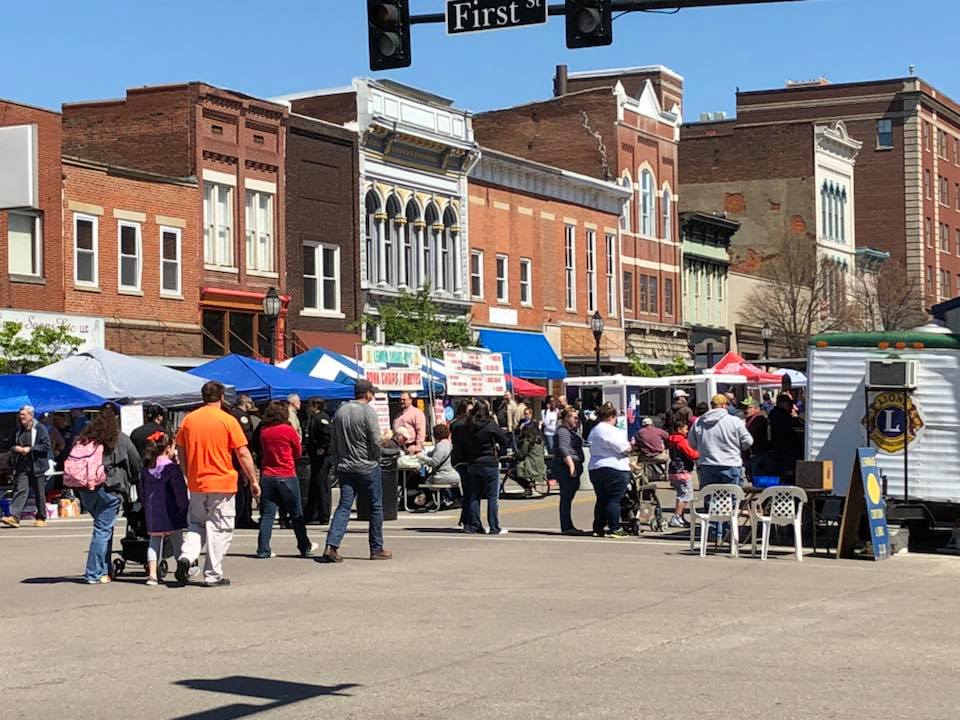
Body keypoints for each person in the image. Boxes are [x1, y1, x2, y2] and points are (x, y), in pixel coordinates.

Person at [175, 381, 260, 587]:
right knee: (219, 528)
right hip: (222, 482)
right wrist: (253, 479)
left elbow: (181, 450)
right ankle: (213, 573)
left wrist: (188, 473)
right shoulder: (227, 420)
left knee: (196, 524)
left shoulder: (189, 420)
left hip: (197, 482)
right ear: (221, 398)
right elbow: (242, 452)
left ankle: (186, 555)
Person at [321, 379, 392, 563]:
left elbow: (334, 440)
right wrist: (377, 457)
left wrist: (337, 463)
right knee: (376, 507)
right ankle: (376, 548)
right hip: (367, 465)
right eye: (372, 393)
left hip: (345, 466)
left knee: (344, 506)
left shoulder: (341, 410)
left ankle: (331, 545)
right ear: (367, 394)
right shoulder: (368, 411)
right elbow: (376, 440)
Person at [72, 406, 142, 583]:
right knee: (102, 530)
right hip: (110, 488)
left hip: (86, 488)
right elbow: (136, 462)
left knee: (104, 527)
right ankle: (94, 573)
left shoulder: (87, 438)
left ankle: (105, 569)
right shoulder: (120, 438)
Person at [254, 400, 318, 559]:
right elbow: (297, 450)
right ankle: (304, 545)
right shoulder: (288, 430)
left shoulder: (264, 431)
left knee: (268, 514)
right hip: (287, 474)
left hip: (268, 474)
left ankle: (263, 548)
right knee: (296, 512)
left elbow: (260, 450)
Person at [139, 432, 188, 586]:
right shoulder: (173, 469)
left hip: (153, 510)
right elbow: (179, 491)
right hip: (172, 510)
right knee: (177, 542)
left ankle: (152, 575)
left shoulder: (146, 469)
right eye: (173, 447)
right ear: (168, 448)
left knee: (154, 542)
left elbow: (142, 491)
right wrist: (184, 507)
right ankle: (182, 569)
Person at [463, 399, 511, 535]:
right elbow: (504, 440)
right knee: (492, 497)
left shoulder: (468, 424)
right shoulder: (490, 424)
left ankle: (475, 525)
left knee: (474, 495)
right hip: (489, 462)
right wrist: (499, 448)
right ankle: (494, 526)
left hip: (473, 462)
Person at [586, 403, 633, 539]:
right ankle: (615, 528)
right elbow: (623, 448)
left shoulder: (594, 430)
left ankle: (598, 527)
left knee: (601, 499)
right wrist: (631, 446)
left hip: (595, 467)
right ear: (612, 417)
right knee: (614, 499)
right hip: (614, 466)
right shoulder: (612, 430)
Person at [2, 405, 52, 529]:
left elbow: (46, 446)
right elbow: (11, 444)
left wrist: (30, 449)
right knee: (20, 490)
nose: (21, 417)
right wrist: (16, 448)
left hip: (37, 465)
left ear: (31, 415)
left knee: (39, 492)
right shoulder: (18, 430)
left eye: (23, 414)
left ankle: (41, 517)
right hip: (22, 465)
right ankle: (14, 516)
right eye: (20, 414)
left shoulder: (40, 428)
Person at [688, 394, 753, 489]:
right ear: (724, 405)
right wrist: (738, 448)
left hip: (707, 465)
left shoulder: (699, 421)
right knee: (732, 497)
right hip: (731, 464)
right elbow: (748, 441)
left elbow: (691, 443)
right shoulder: (735, 421)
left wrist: (702, 449)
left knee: (710, 496)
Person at [552, 407, 587, 535]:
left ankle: (568, 525)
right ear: (566, 418)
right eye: (574, 417)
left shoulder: (571, 431)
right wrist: (571, 465)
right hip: (565, 467)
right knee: (566, 497)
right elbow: (563, 448)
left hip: (573, 465)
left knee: (569, 496)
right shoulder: (563, 431)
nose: (577, 420)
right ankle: (566, 526)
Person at [226, 395, 259, 530]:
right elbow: (246, 438)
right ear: (246, 403)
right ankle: (242, 517)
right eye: (250, 402)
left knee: (244, 490)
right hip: (240, 457)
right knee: (243, 490)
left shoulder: (233, 414)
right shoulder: (241, 416)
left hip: (237, 457)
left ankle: (244, 516)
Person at [304, 398, 334, 525]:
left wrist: (323, 448)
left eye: (310, 405)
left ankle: (324, 515)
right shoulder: (314, 418)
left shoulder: (322, 418)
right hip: (315, 456)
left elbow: (328, 434)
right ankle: (312, 514)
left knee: (322, 486)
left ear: (315, 405)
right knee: (315, 485)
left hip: (323, 457)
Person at [417, 424, 461, 509]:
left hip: (443, 476)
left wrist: (422, 457)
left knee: (422, 476)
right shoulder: (449, 444)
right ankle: (441, 500)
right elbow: (432, 454)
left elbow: (434, 462)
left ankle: (431, 501)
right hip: (453, 474)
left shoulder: (441, 445)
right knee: (425, 473)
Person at [667, 421, 698, 528]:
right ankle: (676, 517)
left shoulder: (672, 441)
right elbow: (692, 454)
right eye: (685, 429)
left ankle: (680, 517)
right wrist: (700, 453)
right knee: (686, 494)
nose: (687, 431)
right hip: (683, 471)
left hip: (674, 470)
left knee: (681, 493)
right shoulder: (682, 441)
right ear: (679, 430)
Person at [449, 400, 473, 528]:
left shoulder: (454, 425)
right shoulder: (469, 424)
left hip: (458, 460)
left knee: (467, 490)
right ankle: (467, 519)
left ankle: (464, 518)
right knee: (470, 491)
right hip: (467, 459)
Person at [769, 392, 803, 480]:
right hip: (785, 450)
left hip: (781, 450)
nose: (791, 406)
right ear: (782, 404)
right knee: (787, 475)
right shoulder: (780, 416)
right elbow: (788, 430)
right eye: (789, 404)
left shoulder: (775, 414)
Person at [514, 421, 546, 498]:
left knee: (512, 472)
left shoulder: (528, 441)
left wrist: (515, 454)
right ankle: (529, 486)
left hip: (530, 466)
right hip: (541, 466)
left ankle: (527, 486)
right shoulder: (540, 440)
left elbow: (522, 455)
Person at [742, 398, 771, 479]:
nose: (744, 410)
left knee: (759, 480)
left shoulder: (759, 419)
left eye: (747, 407)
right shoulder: (751, 419)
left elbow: (755, 438)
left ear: (756, 409)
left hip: (758, 455)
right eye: (743, 407)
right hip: (754, 455)